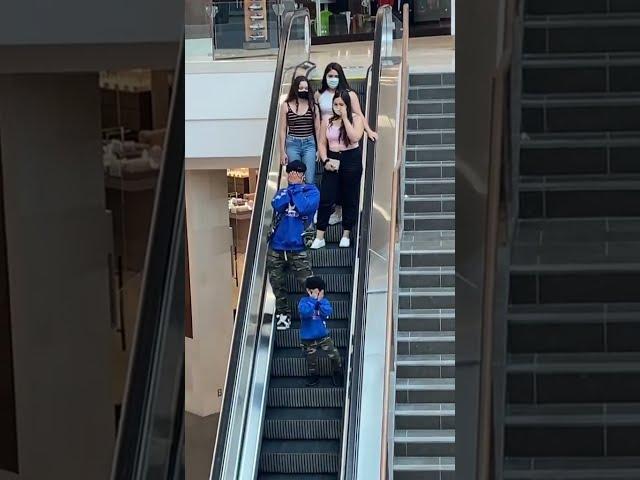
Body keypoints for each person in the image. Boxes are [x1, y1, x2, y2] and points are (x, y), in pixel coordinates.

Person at [315, 62, 377, 225]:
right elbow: (318, 118)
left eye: (336, 76)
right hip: (329, 136)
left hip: (347, 138)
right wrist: (319, 147)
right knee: (330, 183)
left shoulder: (350, 95)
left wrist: (368, 130)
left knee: (347, 182)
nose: (333, 79)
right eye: (330, 76)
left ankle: (344, 216)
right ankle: (331, 211)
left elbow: (358, 114)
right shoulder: (319, 94)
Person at [267, 160, 320, 331]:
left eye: (296, 173)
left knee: (308, 283)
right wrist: (291, 190)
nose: (292, 175)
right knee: (277, 283)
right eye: (289, 172)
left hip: (298, 247)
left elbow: (305, 208)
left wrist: (296, 189)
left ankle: (314, 315)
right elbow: (277, 204)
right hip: (277, 247)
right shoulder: (282, 192)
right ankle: (283, 314)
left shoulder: (312, 191)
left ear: (303, 175)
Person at [311, 90, 365, 249]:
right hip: (332, 158)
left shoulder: (356, 119)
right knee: (326, 197)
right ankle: (320, 235)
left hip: (351, 158)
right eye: (335, 104)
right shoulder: (327, 120)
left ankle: (346, 233)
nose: (338, 107)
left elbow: (355, 137)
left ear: (347, 105)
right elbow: (321, 142)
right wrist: (325, 159)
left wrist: (345, 118)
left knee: (350, 196)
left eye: (342, 104)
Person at [298, 276, 343, 387]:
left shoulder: (324, 301)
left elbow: (327, 312)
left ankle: (337, 371)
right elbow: (305, 313)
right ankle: (314, 375)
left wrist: (319, 302)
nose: (317, 294)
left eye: (320, 291)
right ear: (309, 291)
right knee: (311, 359)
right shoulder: (303, 302)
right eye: (315, 291)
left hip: (323, 335)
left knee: (334, 354)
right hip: (308, 338)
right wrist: (313, 301)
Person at [279, 75, 321, 185]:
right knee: (294, 179)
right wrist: (282, 152)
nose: (304, 91)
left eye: (306, 88)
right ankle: (296, 202)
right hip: (292, 143)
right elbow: (283, 130)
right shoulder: (286, 105)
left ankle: (309, 202)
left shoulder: (313, 106)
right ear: (295, 88)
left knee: (310, 179)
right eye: (301, 88)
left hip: (309, 144)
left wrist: (319, 149)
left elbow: (318, 129)